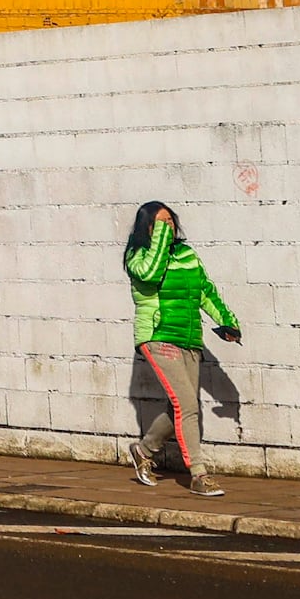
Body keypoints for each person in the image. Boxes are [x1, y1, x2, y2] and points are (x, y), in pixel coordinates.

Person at [122, 199, 242, 492]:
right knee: (188, 404)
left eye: (171, 221)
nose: (169, 227)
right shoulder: (136, 256)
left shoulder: (186, 254)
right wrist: (161, 238)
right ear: (146, 227)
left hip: (188, 338)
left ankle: (144, 451)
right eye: (161, 223)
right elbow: (151, 273)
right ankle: (199, 475)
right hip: (158, 335)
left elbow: (204, 291)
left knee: (179, 405)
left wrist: (228, 321)